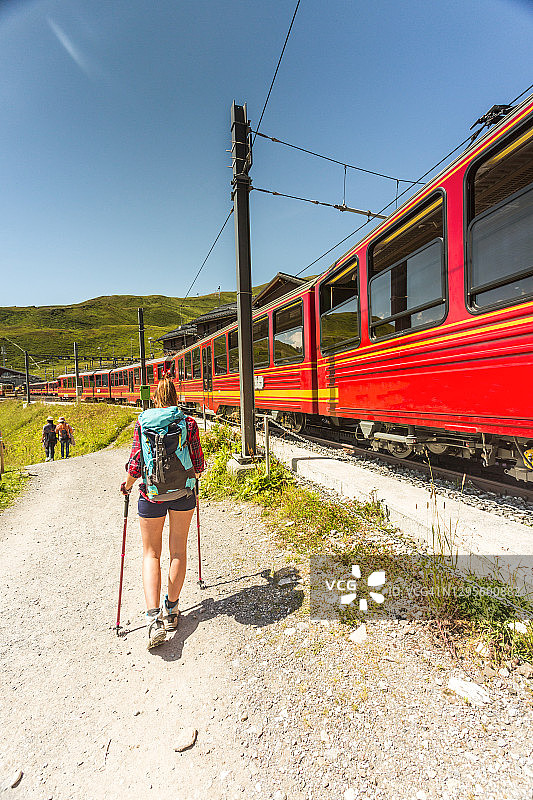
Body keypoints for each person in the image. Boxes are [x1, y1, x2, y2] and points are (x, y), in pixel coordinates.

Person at [121, 375, 204, 649]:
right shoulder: (188, 422)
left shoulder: (143, 421)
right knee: (178, 551)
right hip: (183, 493)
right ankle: (172, 609)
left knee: (151, 554)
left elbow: (136, 463)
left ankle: (153, 618)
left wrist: (128, 485)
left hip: (151, 494)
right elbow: (199, 463)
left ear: (155, 399)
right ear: (176, 398)